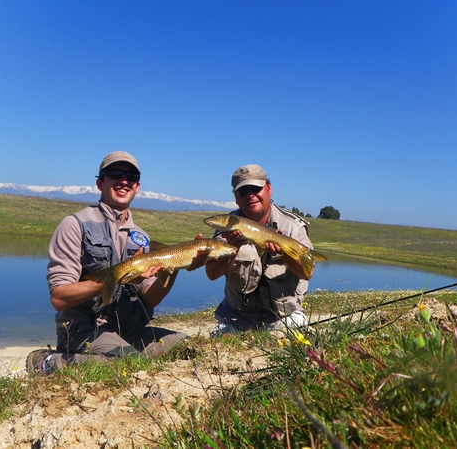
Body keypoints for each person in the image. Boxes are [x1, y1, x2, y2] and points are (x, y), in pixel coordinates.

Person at [27, 151, 197, 375]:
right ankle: (44, 361)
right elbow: (59, 297)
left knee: (189, 348)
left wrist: (175, 265)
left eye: (132, 176)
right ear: (100, 183)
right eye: (115, 174)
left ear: (137, 187)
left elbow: (151, 296)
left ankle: (121, 352)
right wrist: (119, 277)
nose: (124, 180)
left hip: (129, 330)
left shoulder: (141, 237)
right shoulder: (75, 225)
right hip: (86, 329)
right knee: (126, 365)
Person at [205, 164, 316, 335]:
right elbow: (211, 274)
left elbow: (306, 273)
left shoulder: (293, 226)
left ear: (269, 189)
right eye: (243, 192)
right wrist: (232, 249)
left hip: (284, 316)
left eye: (256, 188)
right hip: (237, 318)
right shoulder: (227, 226)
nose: (250, 195)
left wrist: (285, 255)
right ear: (236, 197)